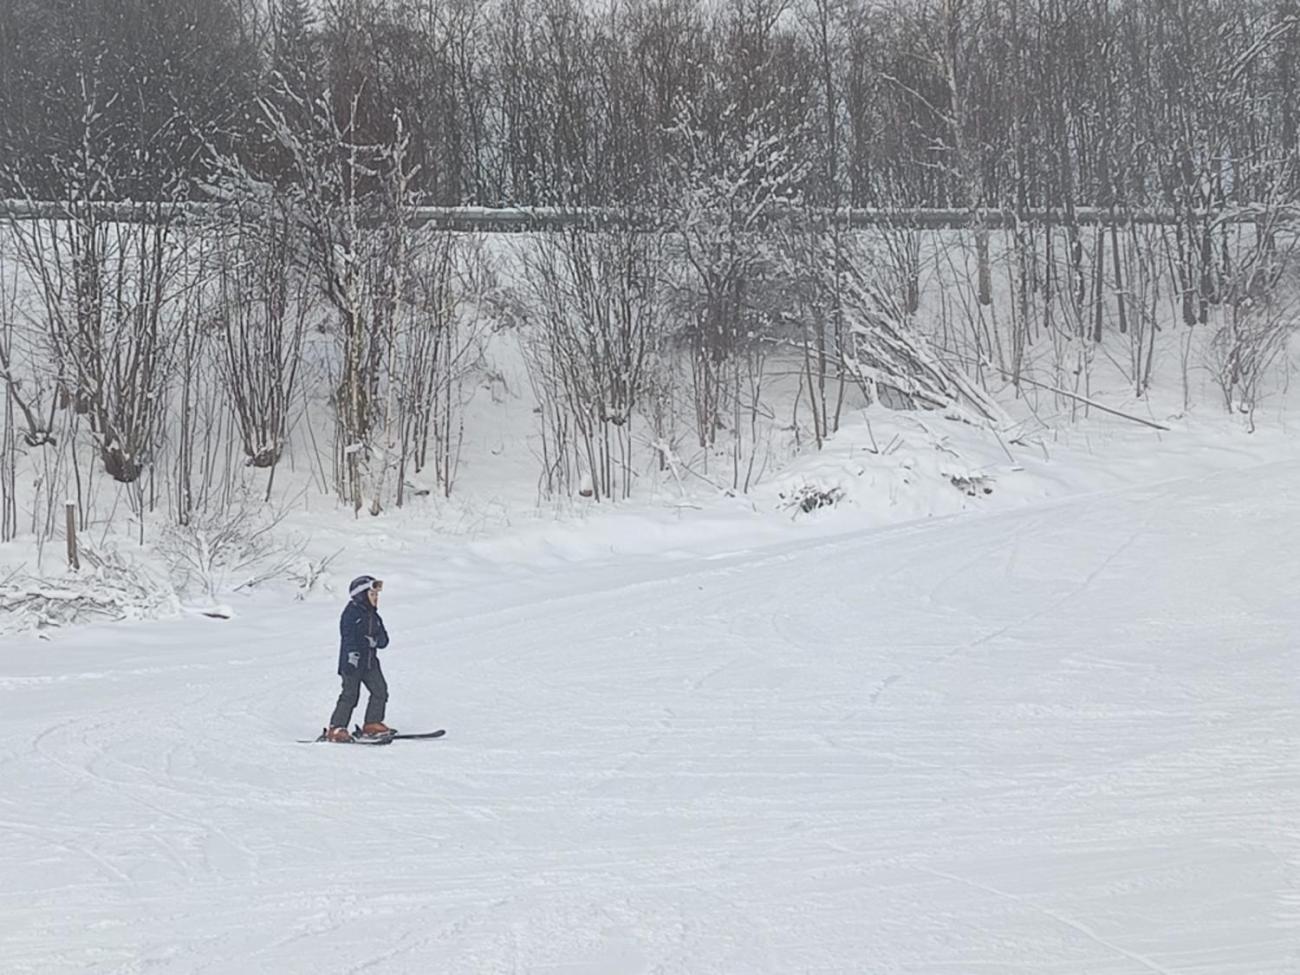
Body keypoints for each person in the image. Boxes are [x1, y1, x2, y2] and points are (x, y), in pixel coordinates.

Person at [325, 575, 395, 742]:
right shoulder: (351, 614)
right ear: (361, 596)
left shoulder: (374, 616)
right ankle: (336, 727)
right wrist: (352, 655)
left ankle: (372, 723)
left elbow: (384, 640)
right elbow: (348, 636)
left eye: (377, 595)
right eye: (372, 595)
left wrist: (375, 641)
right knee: (350, 695)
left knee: (380, 691)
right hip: (352, 663)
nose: (376, 598)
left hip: (370, 663)